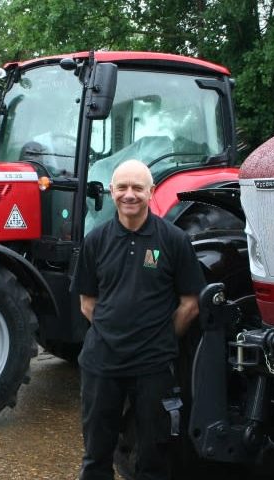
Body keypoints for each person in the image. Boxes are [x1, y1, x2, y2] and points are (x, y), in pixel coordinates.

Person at [74, 159, 205, 480]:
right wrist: (113, 335)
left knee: (154, 457)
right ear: (111, 191)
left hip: (153, 367)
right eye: (122, 187)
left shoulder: (174, 241)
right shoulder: (96, 241)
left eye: (137, 188)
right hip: (102, 365)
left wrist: (157, 337)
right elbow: (87, 302)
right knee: (96, 456)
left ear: (152, 191)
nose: (129, 194)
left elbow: (191, 304)